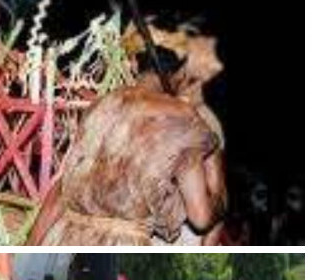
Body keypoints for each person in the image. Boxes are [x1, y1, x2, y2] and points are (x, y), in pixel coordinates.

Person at [27, 86, 226, 246]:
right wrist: (220, 197)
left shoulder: (104, 104)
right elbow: (202, 217)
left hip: (65, 238)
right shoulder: (183, 118)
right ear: (182, 74)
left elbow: (61, 191)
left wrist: (27, 251)